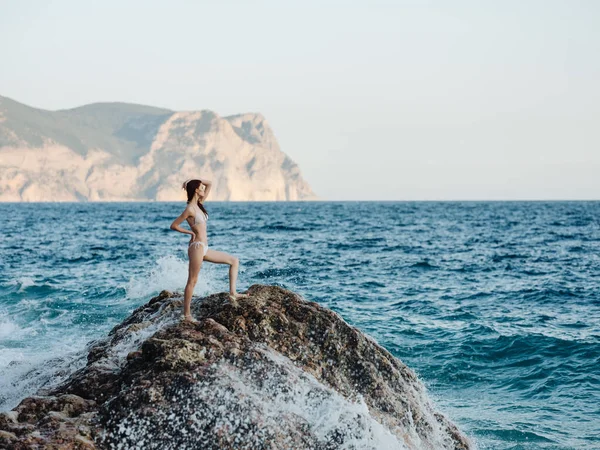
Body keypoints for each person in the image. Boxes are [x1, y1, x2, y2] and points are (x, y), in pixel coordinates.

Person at [170, 178, 248, 322]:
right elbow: (174, 225)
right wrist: (191, 233)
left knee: (234, 261)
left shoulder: (199, 205)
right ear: (196, 190)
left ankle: (233, 292)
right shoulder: (190, 209)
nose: (204, 190)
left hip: (204, 247)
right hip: (197, 247)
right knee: (192, 280)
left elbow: (210, 183)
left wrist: (188, 181)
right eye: (201, 188)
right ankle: (186, 315)